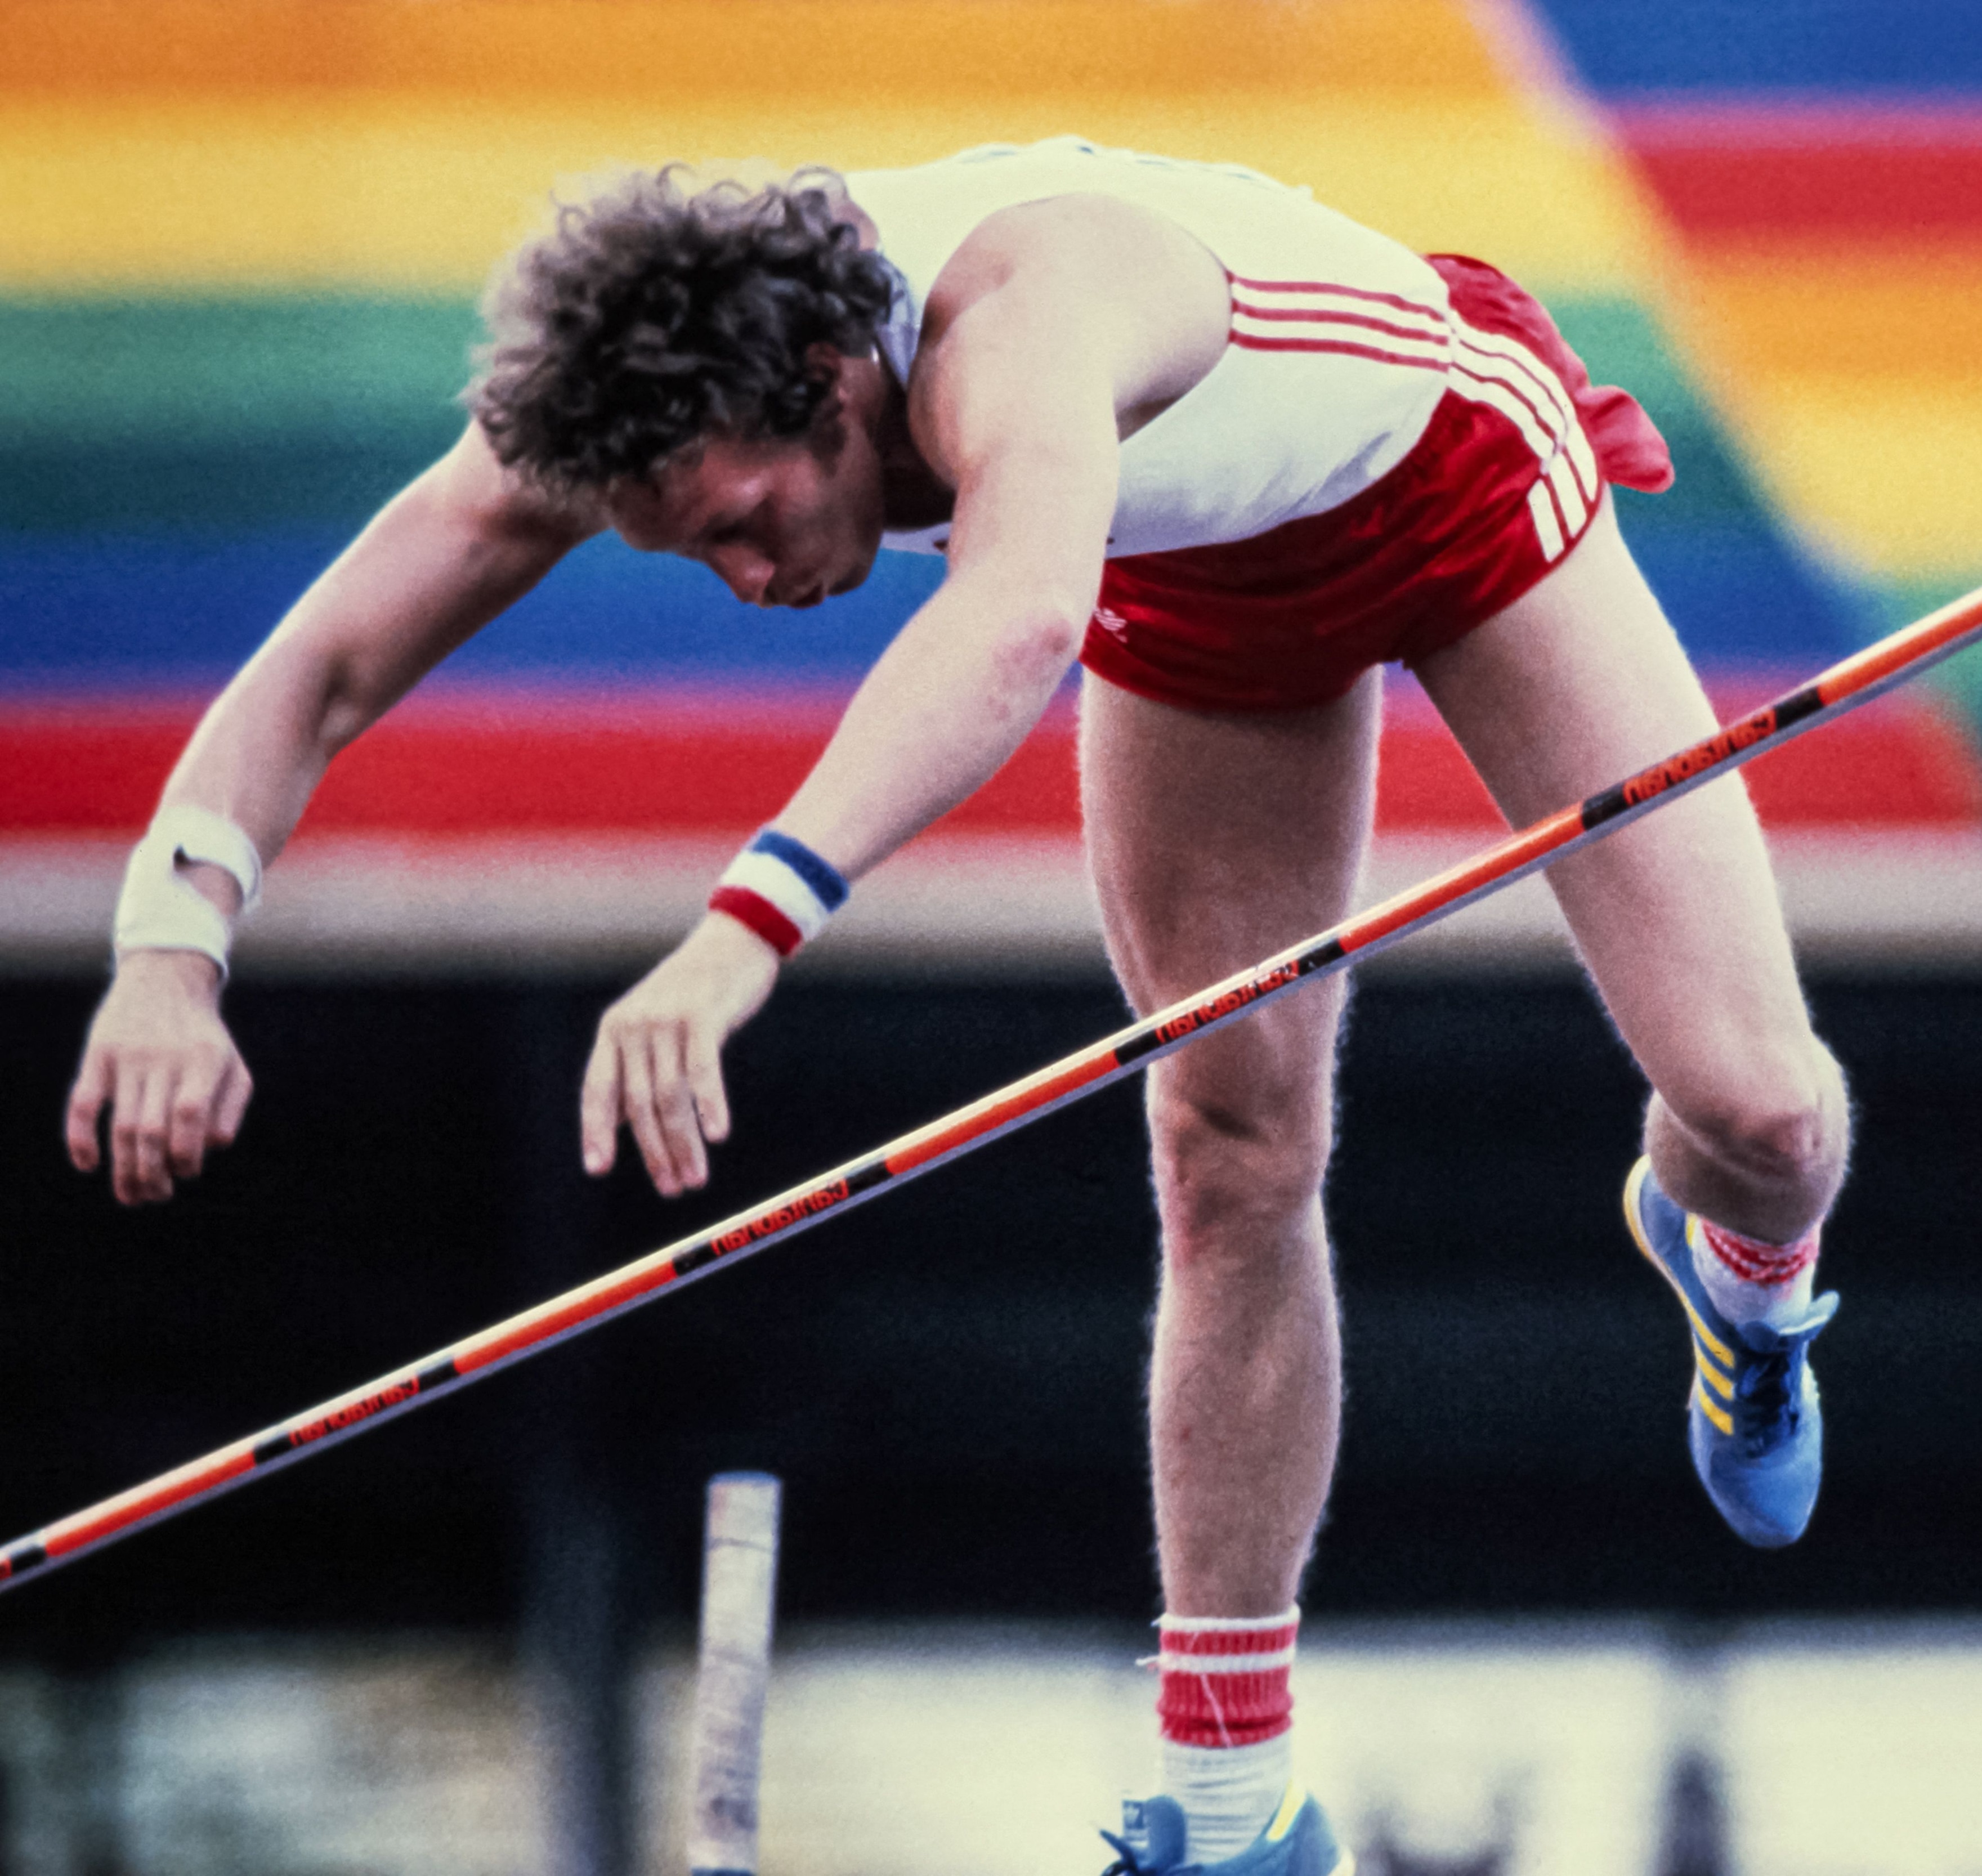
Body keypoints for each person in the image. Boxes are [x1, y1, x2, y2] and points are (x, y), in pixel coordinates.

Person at [60, 137, 1851, 1874]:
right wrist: (170, 954)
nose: (751, 586)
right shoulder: (633, 411)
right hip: (1182, 586)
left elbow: (1007, 622)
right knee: (1228, 1141)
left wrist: (742, 930)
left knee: (1770, 1115)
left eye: (748, 527)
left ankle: (1740, 1282)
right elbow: (327, 658)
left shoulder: (1029, 300)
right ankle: (1231, 1811)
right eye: (694, 562)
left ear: (837, 383)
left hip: (1447, 482)